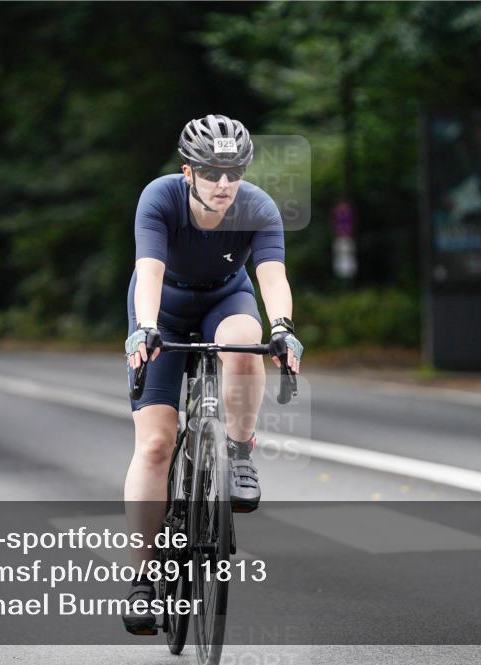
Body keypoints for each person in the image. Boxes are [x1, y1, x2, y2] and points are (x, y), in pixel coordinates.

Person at [121, 114, 303, 634]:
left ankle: (240, 453)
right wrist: (146, 329)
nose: (224, 184)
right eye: (211, 173)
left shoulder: (257, 207)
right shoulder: (160, 198)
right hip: (164, 304)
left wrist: (284, 328)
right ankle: (143, 580)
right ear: (188, 172)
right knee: (155, 445)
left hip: (227, 297)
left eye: (234, 172)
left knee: (246, 339)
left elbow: (272, 276)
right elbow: (149, 270)